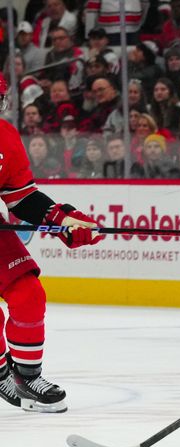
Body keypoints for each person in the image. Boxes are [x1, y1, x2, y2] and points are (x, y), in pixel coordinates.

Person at [0, 74, 101, 412]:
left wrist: (62, 219)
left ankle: (27, 377)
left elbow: (21, 195)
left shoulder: (6, 136)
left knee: (29, 294)